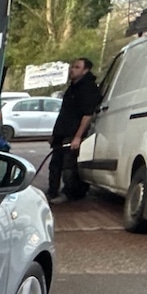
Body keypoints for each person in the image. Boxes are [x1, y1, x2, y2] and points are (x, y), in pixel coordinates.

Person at [47, 57, 101, 201]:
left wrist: (78, 136)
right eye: (72, 67)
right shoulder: (72, 87)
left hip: (72, 134)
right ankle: (52, 191)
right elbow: (64, 113)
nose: (72, 70)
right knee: (55, 165)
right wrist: (55, 133)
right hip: (62, 132)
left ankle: (69, 194)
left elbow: (87, 115)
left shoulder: (88, 89)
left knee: (69, 166)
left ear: (85, 70)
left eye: (77, 67)